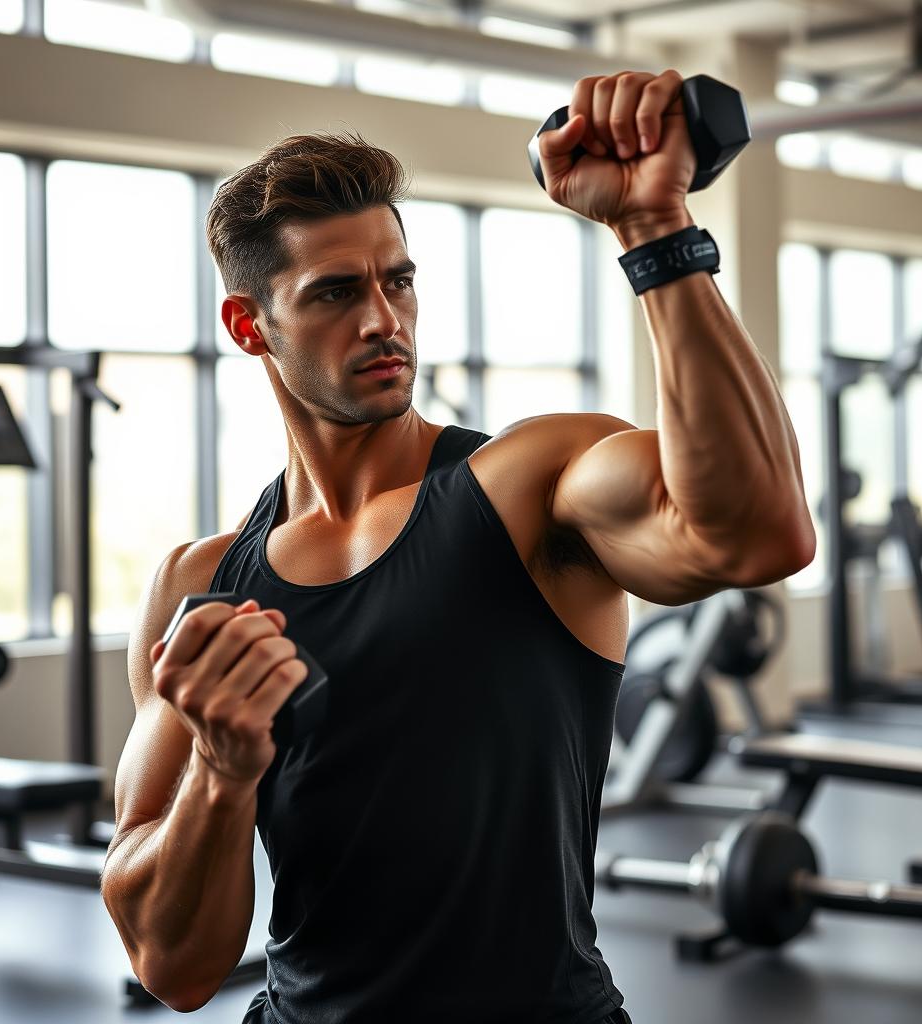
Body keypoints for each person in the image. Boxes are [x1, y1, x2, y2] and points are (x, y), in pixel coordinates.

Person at [101, 69, 814, 1023]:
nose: (383, 320)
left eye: (397, 280)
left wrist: (656, 230)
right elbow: (171, 965)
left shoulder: (528, 490)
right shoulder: (203, 586)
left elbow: (760, 533)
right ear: (248, 326)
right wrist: (223, 776)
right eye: (334, 293)